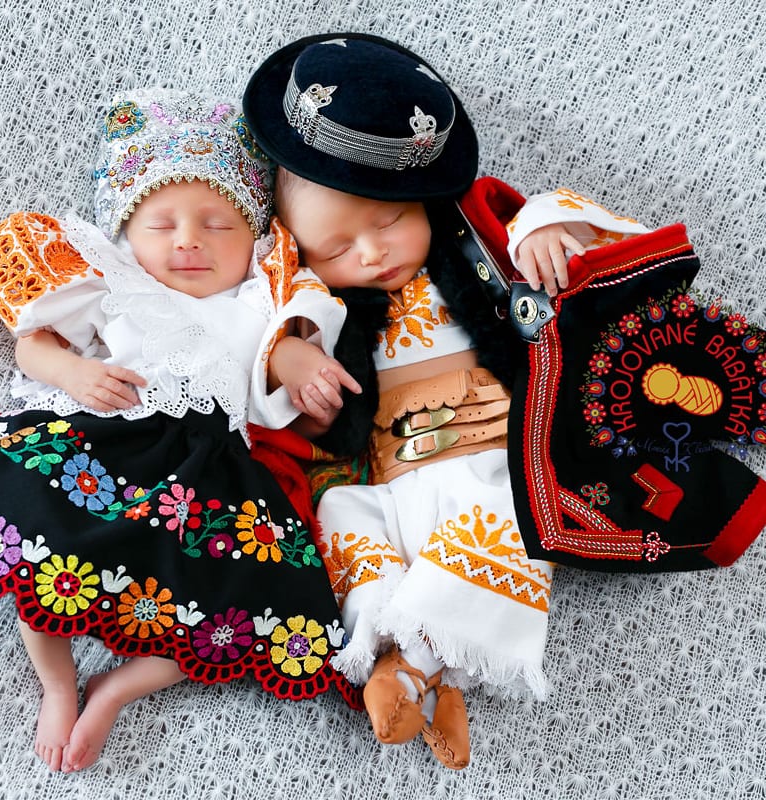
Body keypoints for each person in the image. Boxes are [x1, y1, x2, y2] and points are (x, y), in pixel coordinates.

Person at [243, 32, 766, 771]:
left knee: (507, 524)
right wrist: (298, 373)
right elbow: (267, 353)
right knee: (344, 528)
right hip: (383, 472)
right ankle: (417, 667)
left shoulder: (475, 245)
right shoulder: (312, 301)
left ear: (421, 201)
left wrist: (551, 228)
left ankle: (418, 668)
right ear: (300, 250)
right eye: (335, 248)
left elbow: (531, 219)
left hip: (490, 453)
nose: (369, 252)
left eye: (389, 220)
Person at [0, 88, 362, 774]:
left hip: (215, 479)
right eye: (161, 224)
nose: (189, 239)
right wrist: (69, 372)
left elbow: (282, 352)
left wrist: (305, 371)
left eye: (218, 223)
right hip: (104, 445)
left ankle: (117, 687)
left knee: (251, 598)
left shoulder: (262, 298)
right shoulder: (111, 281)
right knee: (37, 536)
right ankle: (58, 682)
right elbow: (33, 342)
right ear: (123, 236)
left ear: (257, 240)